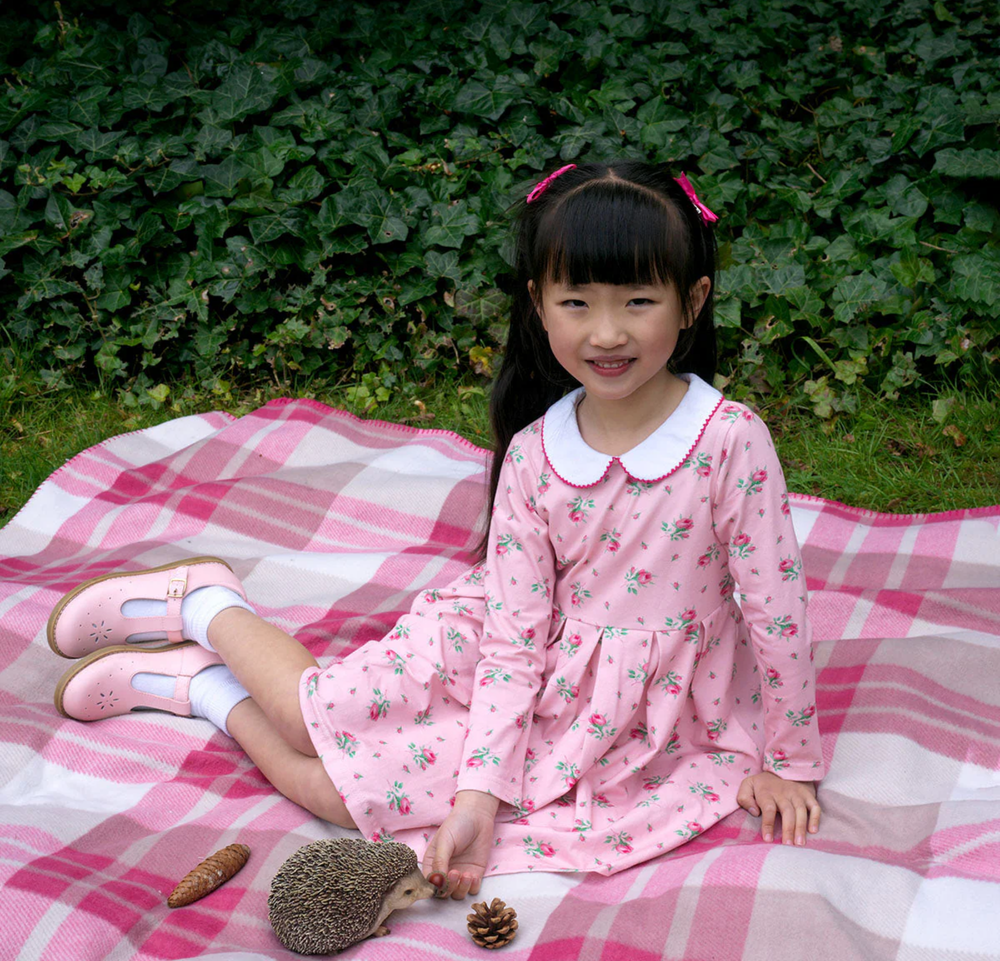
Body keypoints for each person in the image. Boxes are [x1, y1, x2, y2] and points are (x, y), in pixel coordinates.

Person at [48, 161, 823, 900]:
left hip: (639, 711)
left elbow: (775, 607)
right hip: (501, 653)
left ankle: (203, 688)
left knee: (346, 802)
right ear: (537, 303)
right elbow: (517, 636)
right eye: (577, 302)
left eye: (638, 302)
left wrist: (790, 758)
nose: (607, 333)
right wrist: (485, 786)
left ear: (693, 301)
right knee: (311, 718)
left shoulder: (728, 442)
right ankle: (202, 604)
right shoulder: (535, 454)